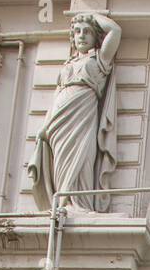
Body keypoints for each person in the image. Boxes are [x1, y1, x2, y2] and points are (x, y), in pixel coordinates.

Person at [28, 11, 122, 213]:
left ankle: (79, 203)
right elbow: (56, 95)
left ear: (95, 37)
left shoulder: (100, 59)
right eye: (77, 31)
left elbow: (115, 30)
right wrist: (44, 126)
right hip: (59, 119)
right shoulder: (67, 64)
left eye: (87, 32)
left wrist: (92, 14)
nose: (81, 35)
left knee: (83, 156)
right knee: (61, 159)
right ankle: (63, 201)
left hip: (83, 113)